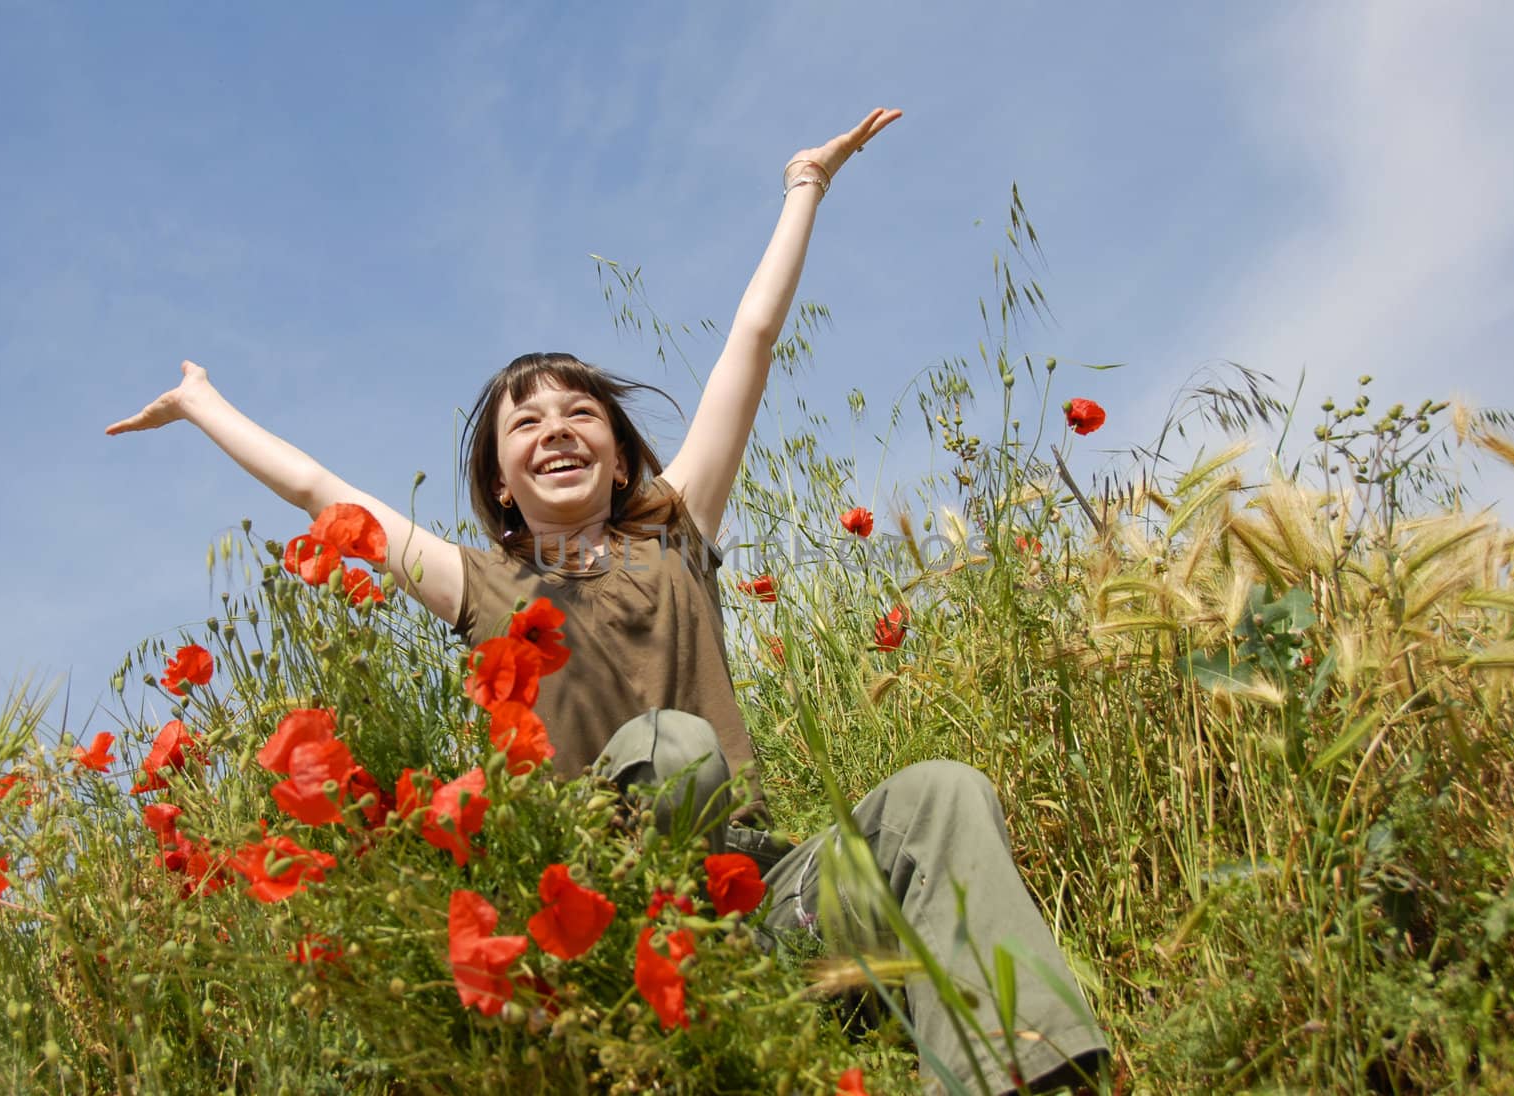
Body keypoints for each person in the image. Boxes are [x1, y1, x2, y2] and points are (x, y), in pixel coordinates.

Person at [108, 108, 1107, 1093]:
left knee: (939, 792)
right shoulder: (482, 584)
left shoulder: (676, 527)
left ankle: (1017, 1073)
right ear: (500, 479)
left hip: (765, 913)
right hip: (613, 943)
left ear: (620, 450)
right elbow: (323, 492)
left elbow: (749, 347)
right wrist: (203, 403)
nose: (556, 428)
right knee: (669, 747)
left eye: (580, 411)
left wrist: (806, 185)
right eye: (526, 421)